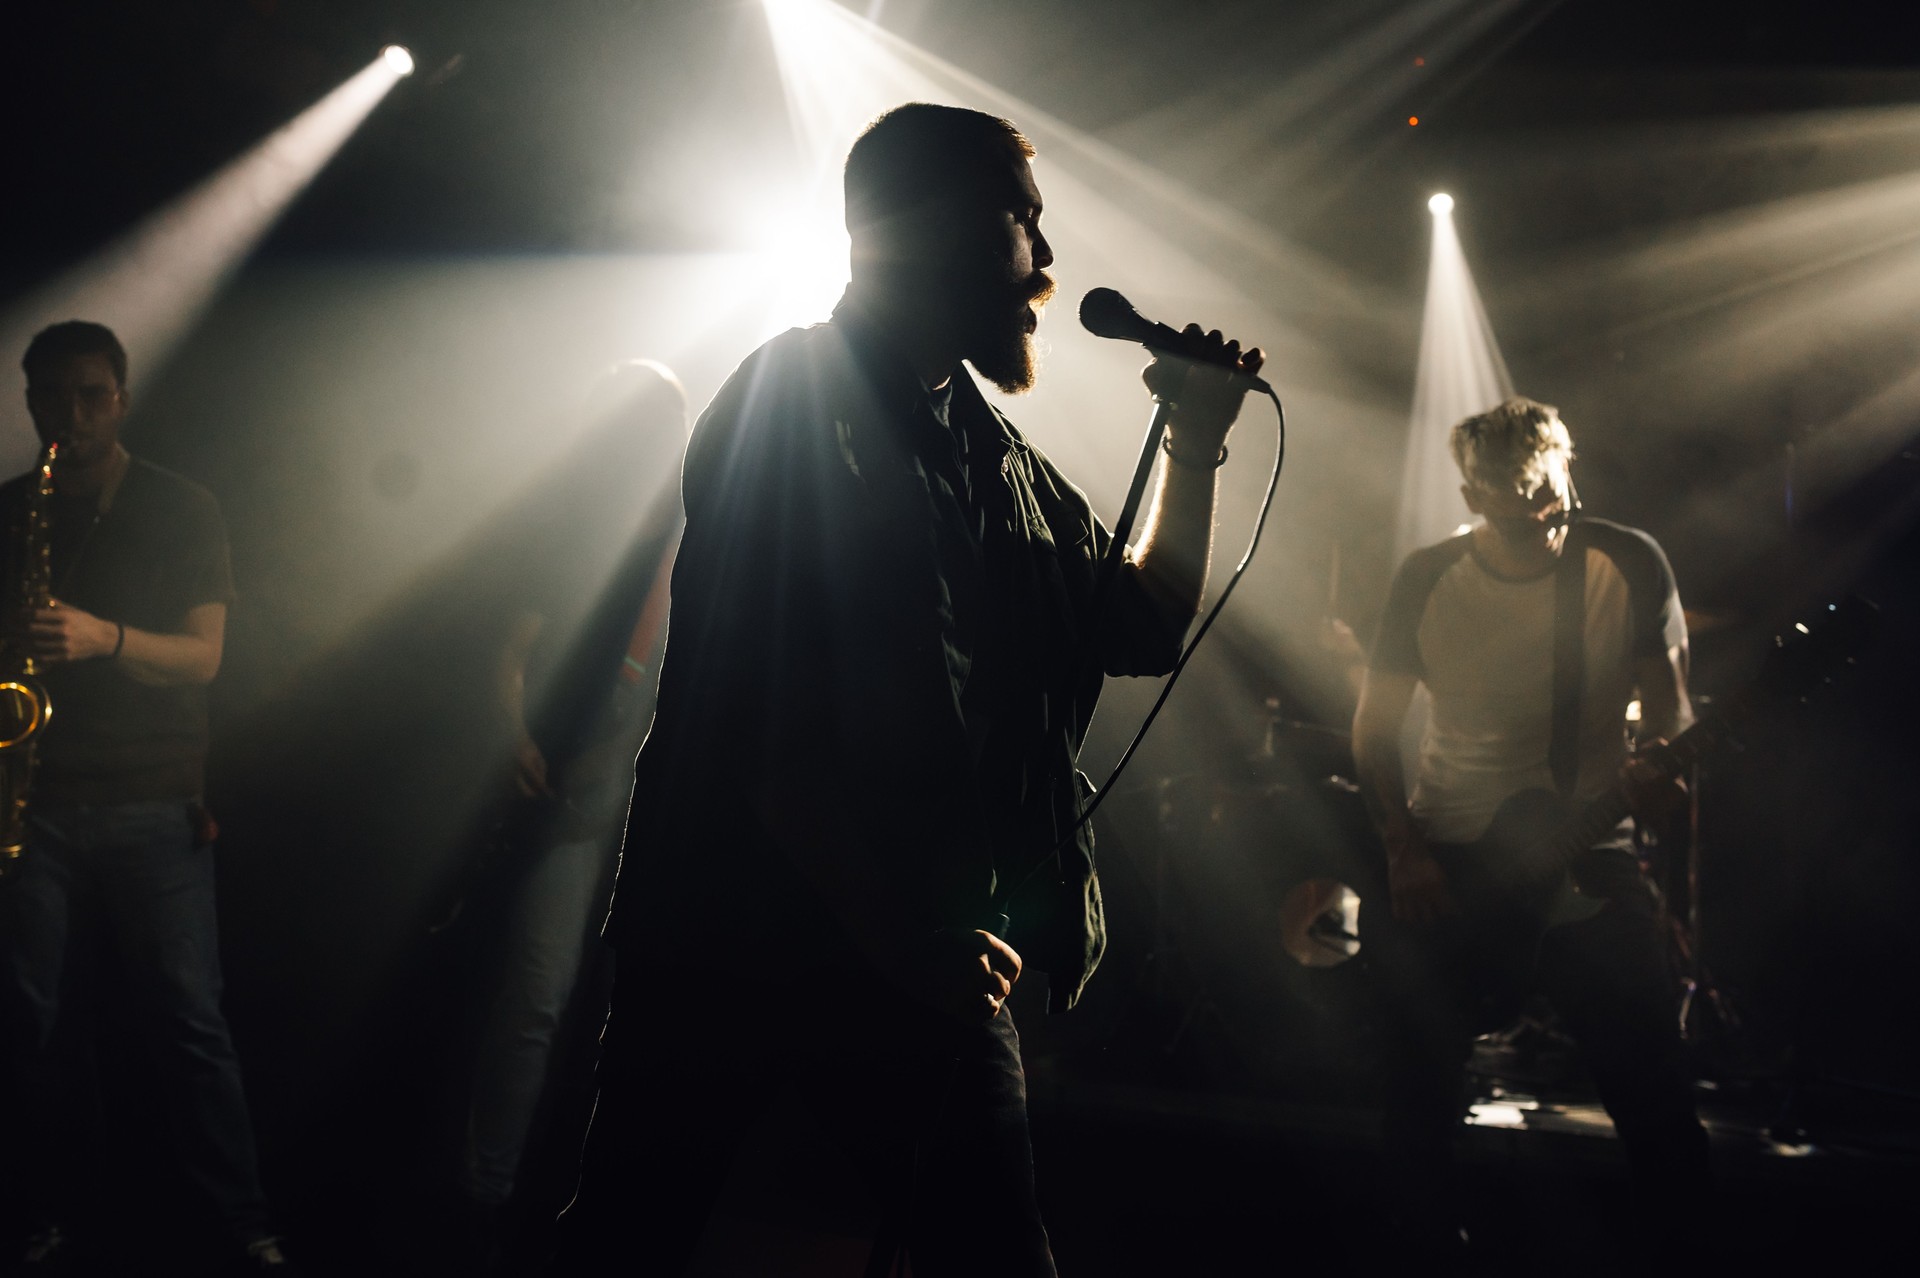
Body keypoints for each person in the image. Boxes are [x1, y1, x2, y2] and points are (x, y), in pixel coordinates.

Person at [559, 103, 1265, 1276]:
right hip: (744, 931)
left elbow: (1134, 625)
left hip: (913, 948)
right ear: (930, 223)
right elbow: (760, 705)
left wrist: (1191, 445)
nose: (1044, 263)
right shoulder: (789, 398)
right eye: (1021, 223)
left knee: (986, 1251)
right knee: (633, 1234)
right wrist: (898, 932)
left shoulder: (994, 457)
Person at [1351, 397, 1709, 1252]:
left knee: (1658, 1099)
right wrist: (1404, 853)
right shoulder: (1429, 576)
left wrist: (1657, 772)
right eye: (1505, 496)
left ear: (1565, 473)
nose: (1531, 510)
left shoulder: (1627, 562)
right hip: (1452, 855)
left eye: (1543, 490)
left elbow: (1671, 718)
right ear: (1472, 498)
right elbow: (1373, 727)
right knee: (1417, 1097)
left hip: (1588, 854)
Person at [0, 321, 290, 1271]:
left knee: (187, 1022)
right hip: (31, 805)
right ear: (30, 401)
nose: (70, 419)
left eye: (91, 397)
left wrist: (102, 640)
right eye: (51, 399)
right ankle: (51, 1214)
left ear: (121, 399)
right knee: (33, 1027)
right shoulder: (11, 511)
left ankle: (242, 1222)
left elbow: (204, 660)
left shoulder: (181, 507)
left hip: (153, 804)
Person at [452, 360, 687, 1270]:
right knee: (538, 998)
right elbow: (511, 649)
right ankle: (487, 1194)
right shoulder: (575, 532)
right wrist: (512, 735)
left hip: (654, 803)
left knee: (617, 1014)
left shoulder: (704, 527)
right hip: (575, 802)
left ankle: (589, 1207)